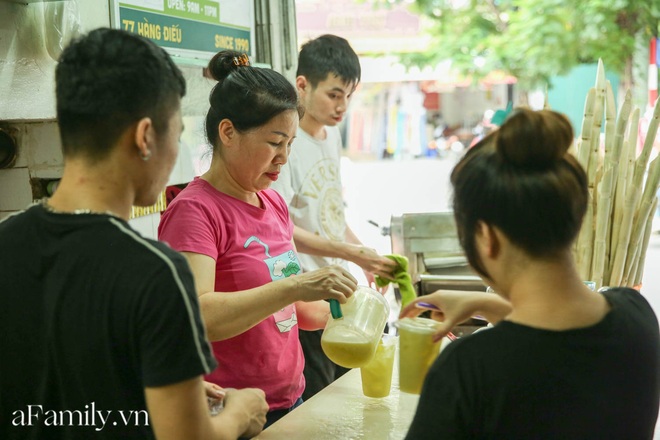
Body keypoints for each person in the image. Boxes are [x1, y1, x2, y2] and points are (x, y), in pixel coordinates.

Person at [0, 29, 269, 440]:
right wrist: (240, 413)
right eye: (176, 134)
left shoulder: (7, 243)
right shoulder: (156, 272)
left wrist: (166, 386)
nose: (176, 150)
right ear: (145, 137)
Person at [401, 108, 660, 439]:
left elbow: (538, 349)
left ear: (486, 237)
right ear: (576, 216)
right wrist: (484, 305)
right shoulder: (636, 316)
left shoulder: (469, 369)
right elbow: (559, 344)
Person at [157, 50, 358, 428]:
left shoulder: (273, 203)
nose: (283, 157)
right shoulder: (195, 211)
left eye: (290, 144)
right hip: (230, 417)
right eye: (274, 142)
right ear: (228, 132)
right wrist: (300, 284)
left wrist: (352, 310)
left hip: (290, 401)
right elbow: (198, 316)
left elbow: (294, 311)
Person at [269, 34, 398, 399]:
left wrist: (365, 256)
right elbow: (282, 230)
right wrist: (351, 254)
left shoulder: (330, 137)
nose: (342, 106)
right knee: (319, 399)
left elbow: (331, 216)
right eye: (333, 94)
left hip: (337, 295)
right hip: (305, 297)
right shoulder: (287, 146)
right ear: (303, 85)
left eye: (347, 96)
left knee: (347, 392)